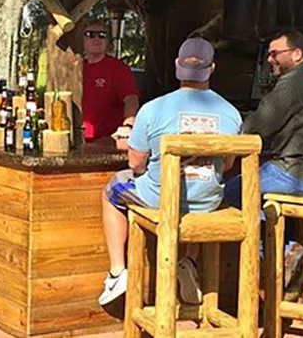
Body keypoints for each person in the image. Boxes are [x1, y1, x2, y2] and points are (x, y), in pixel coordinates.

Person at [98, 37, 242, 306]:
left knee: (111, 190)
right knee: (199, 193)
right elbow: (229, 164)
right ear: (211, 68)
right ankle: (188, 261)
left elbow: (135, 164)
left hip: (161, 201)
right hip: (208, 204)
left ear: (177, 66)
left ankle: (118, 272)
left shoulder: (153, 109)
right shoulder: (231, 114)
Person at [223, 31, 303, 292]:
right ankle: (288, 252)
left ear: (297, 54)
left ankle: (282, 252)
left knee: (230, 192)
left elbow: (254, 128)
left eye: (275, 53)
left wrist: (226, 123)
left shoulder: (293, 84)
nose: (269, 59)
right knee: (266, 199)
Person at [82, 22, 139, 143]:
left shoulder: (118, 68)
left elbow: (131, 98)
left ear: (107, 41)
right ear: (82, 39)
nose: (96, 38)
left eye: (102, 35)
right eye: (90, 34)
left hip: (106, 140)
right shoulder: (75, 68)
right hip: (74, 138)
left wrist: (128, 125)